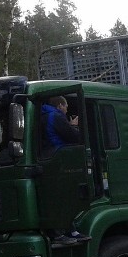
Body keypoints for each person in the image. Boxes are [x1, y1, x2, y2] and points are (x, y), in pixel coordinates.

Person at [40, 96, 90, 244]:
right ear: (60, 105)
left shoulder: (41, 115)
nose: (67, 109)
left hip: (47, 159)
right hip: (60, 159)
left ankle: (66, 230)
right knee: (65, 197)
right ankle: (64, 232)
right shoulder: (55, 116)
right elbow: (74, 137)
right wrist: (74, 125)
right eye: (66, 106)